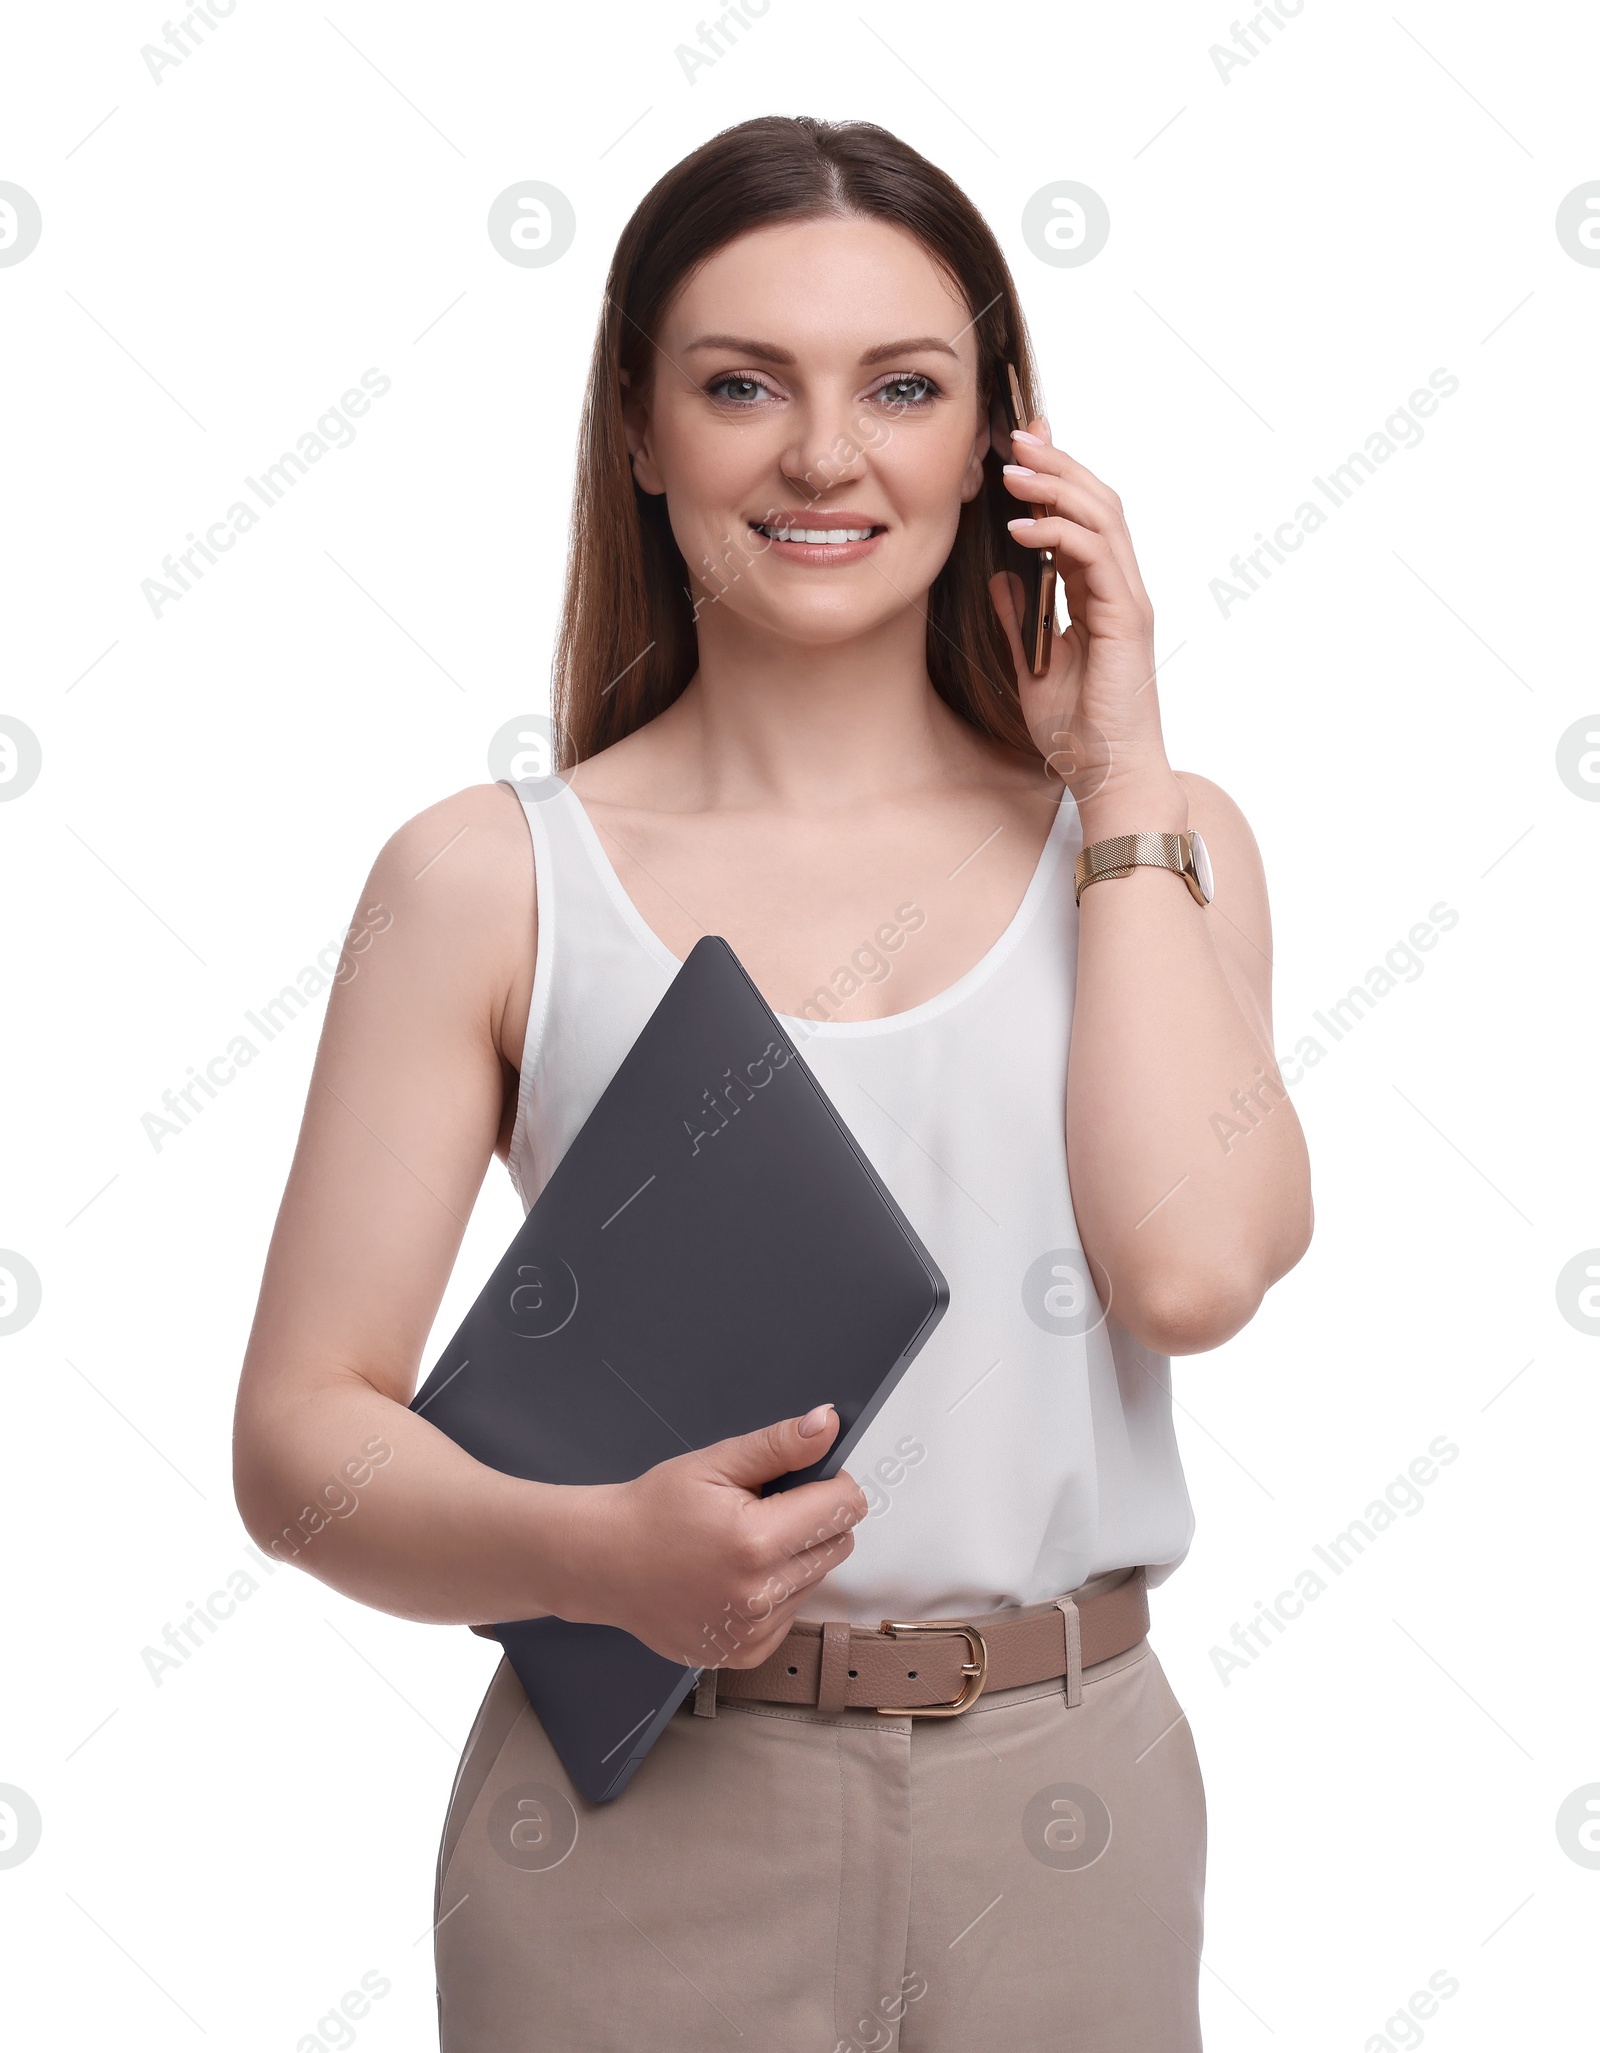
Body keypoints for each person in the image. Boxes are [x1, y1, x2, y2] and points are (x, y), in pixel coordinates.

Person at [232, 114, 1312, 2052]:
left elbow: (1189, 1277)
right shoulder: (485, 882)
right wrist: (592, 1556)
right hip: (642, 1812)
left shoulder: (1155, 843)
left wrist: (1123, 784)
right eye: (743, 385)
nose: (825, 456)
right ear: (639, 431)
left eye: (900, 388)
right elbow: (301, 1443)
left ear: (994, 443)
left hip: (1064, 1802)